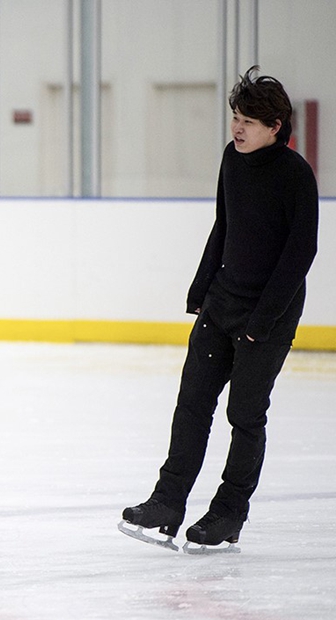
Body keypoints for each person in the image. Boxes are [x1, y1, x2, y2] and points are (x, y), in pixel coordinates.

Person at [121, 67, 318, 550]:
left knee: (245, 416)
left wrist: (263, 321)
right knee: (191, 405)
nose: (238, 128)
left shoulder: (296, 175)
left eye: (249, 120)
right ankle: (167, 503)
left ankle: (229, 513)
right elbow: (223, 226)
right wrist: (201, 289)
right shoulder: (232, 160)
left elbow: (301, 253)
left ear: (276, 127)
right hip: (222, 304)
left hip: (266, 318)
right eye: (235, 117)